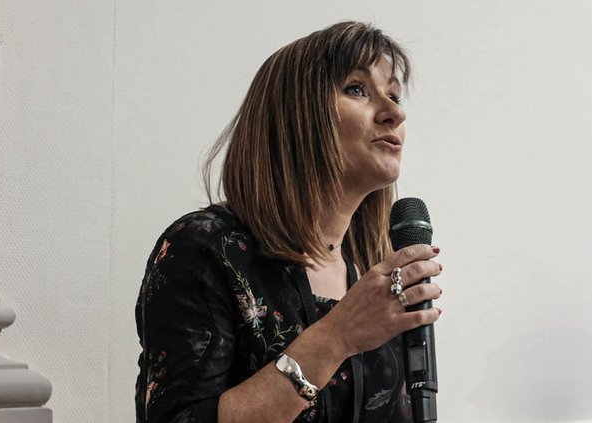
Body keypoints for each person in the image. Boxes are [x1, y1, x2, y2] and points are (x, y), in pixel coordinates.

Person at [135, 21, 444, 423]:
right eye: (357, 89)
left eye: (395, 96)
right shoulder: (205, 250)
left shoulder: (373, 273)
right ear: (296, 117)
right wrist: (337, 336)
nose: (395, 113)